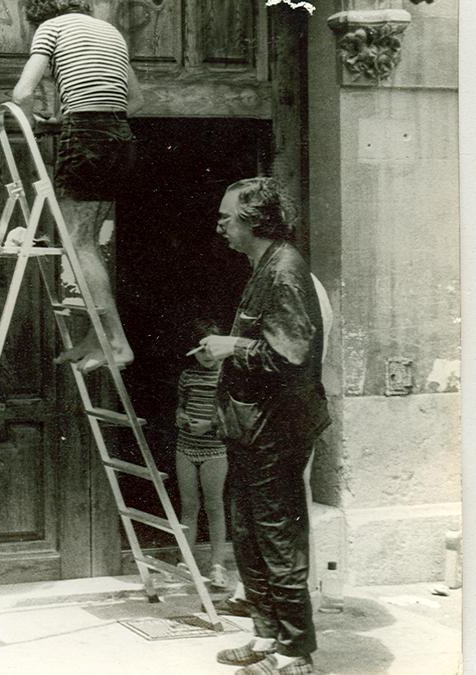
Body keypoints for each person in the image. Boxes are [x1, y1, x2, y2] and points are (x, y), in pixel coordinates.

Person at [198, 177, 330, 675]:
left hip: (276, 430)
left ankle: (295, 652)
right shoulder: (263, 267)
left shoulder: (285, 270)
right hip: (251, 428)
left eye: (227, 217)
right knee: (249, 534)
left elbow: (292, 359)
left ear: (256, 220)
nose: (220, 226)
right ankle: (265, 635)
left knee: (276, 536)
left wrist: (230, 347)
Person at [12, 0, 143, 372]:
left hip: (86, 138)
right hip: (120, 137)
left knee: (78, 242)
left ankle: (116, 342)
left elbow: (22, 92)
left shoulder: (51, 29)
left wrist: (36, 123)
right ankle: (95, 337)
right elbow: (136, 100)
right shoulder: (110, 32)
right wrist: (67, 116)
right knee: (87, 242)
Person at [175, 318, 231, 591]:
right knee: (188, 505)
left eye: (211, 350)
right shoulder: (188, 376)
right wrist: (182, 417)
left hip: (214, 449)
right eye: (201, 352)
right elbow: (181, 406)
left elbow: (232, 416)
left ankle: (217, 565)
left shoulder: (227, 376)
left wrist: (209, 425)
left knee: (214, 505)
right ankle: (186, 559)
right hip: (186, 446)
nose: (207, 357)